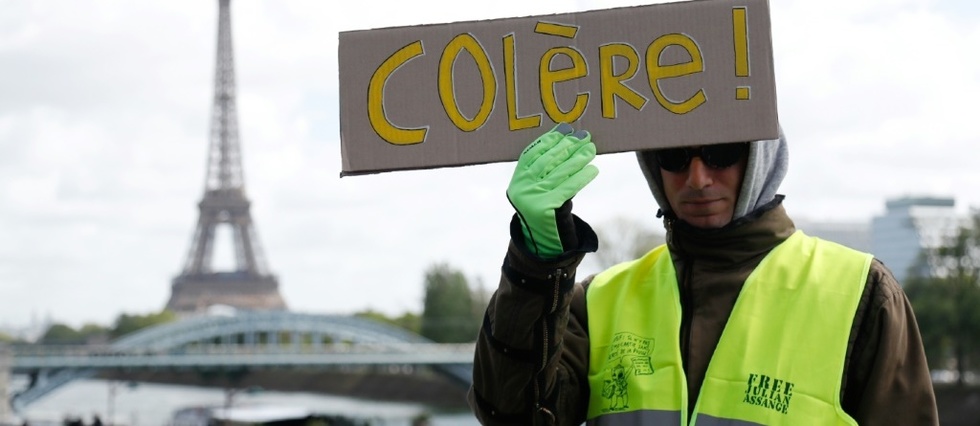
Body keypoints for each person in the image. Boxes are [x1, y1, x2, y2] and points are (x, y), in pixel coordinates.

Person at [467, 123, 939, 425]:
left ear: (761, 153)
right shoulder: (600, 301)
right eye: (673, 155)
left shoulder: (861, 294)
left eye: (720, 152)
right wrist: (536, 260)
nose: (696, 178)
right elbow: (511, 414)